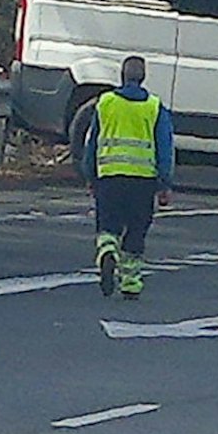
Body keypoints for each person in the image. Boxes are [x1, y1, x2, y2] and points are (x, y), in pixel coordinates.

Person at [80, 56, 175, 299]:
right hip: (143, 180)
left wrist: (89, 174)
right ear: (143, 77)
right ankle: (130, 282)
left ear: (121, 76)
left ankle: (107, 251)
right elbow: (165, 147)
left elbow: (92, 142)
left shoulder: (105, 103)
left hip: (109, 177)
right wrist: (165, 182)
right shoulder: (154, 107)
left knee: (108, 225)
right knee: (136, 229)